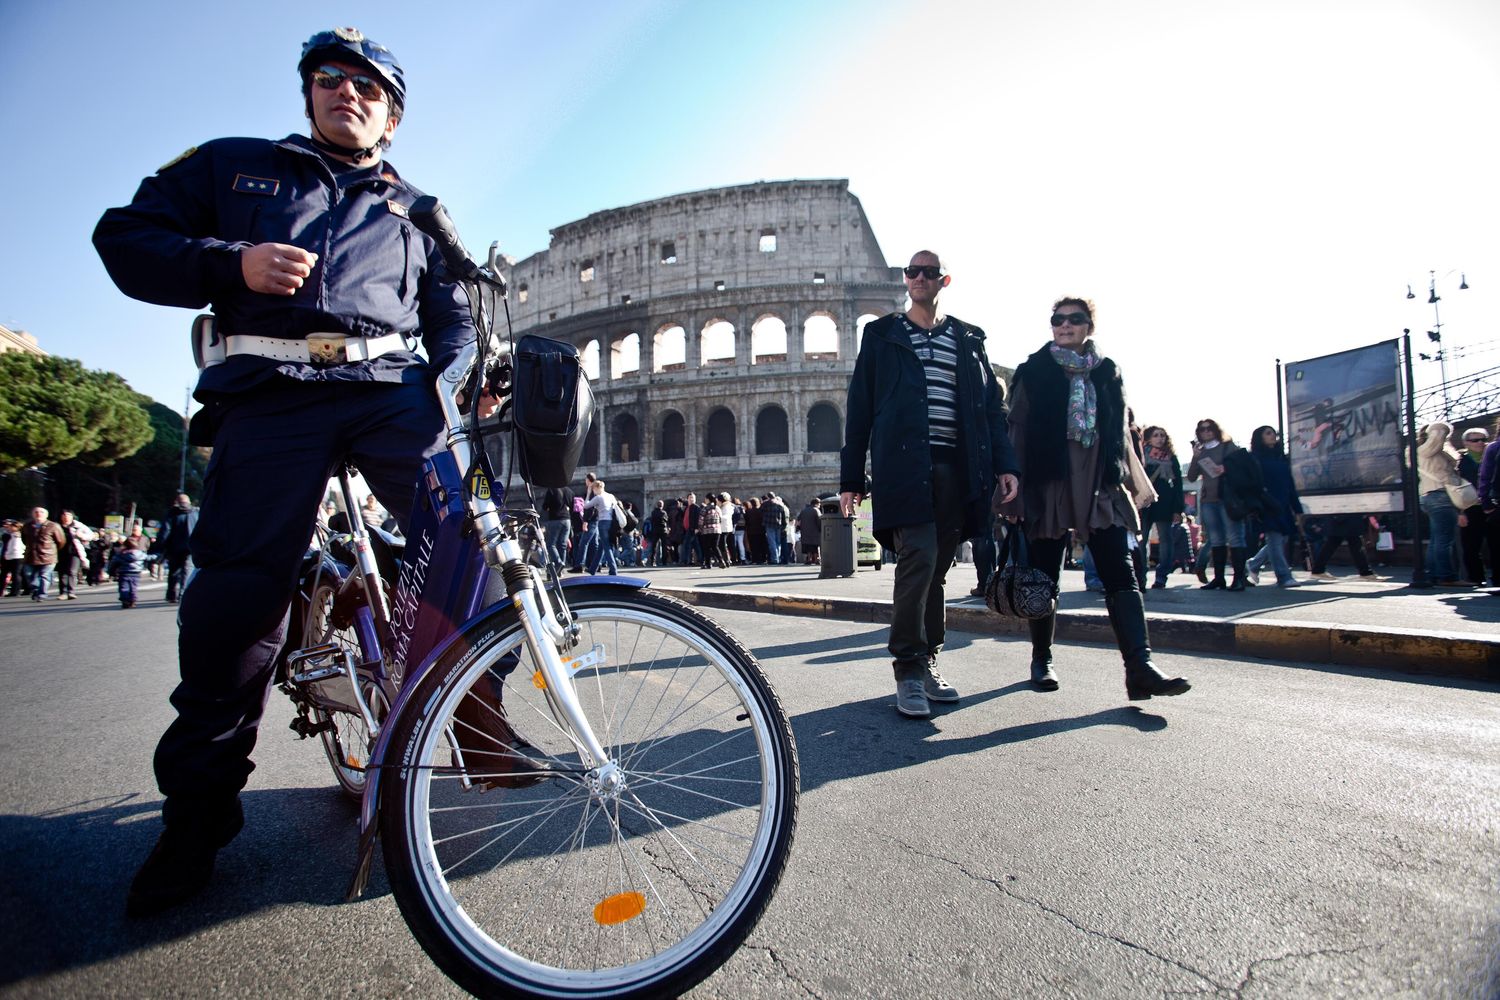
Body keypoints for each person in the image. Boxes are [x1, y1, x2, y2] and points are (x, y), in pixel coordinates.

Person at [93, 27, 491, 917]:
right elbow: (125, 237)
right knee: (238, 602)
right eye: (330, 78)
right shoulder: (236, 168)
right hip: (272, 390)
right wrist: (229, 264)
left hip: (389, 389)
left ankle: (473, 711)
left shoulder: (418, 210)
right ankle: (196, 820)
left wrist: (455, 380)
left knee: (471, 535)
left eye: (369, 85)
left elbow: (453, 312)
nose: (346, 91)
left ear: (391, 116)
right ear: (308, 92)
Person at [840, 250, 1020, 718]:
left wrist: (1006, 465)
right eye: (911, 271)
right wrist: (851, 478)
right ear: (905, 280)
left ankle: (927, 660)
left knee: (937, 571)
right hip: (903, 467)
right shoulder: (880, 335)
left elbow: (990, 411)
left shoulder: (968, 339)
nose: (918, 278)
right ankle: (907, 668)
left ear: (944, 280)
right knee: (917, 557)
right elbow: (860, 408)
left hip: (956, 468)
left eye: (927, 272)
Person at [995, 297, 1189, 701]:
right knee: (1044, 575)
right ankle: (1042, 658)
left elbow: (1120, 431)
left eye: (1074, 319)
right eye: (1058, 319)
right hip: (1050, 482)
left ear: (1089, 326)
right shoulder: (1034, 369)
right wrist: (1012, 495)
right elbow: (1017, 431)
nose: (1064, 325)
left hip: (1099, 481)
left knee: (1121, 572)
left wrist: (1130, 480)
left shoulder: (1107, 372)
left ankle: (1140, 667)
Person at [1186, 418, 1254, 590]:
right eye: (1202, 429)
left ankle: (1239, 578)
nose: (1206, 432)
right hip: (1209, 500)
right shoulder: (1200, 451)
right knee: (1216, 539)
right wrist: (1195, 457)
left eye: (1209, 428)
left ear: (1216, 430)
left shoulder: (1228, 447)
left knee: (1235, 536)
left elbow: (1243, 466)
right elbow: (1192, 476)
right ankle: (1219, 578)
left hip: (1228, 498)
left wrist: (1226, 468)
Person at [1244, 426, 1303, 588]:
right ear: (1259, 437)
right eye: (1268, 433)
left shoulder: (1280, 457)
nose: (1273, 436)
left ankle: (1254, 564)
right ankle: (1284, 576)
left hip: (1283, 503)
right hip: (1266, 504)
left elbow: (1290, 483)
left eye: (1274, 433)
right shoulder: (1254, 458)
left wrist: (1297, 508)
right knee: (1275, 538)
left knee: (1281, 537)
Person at [1416, 420, 1471, 586]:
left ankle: (1434, 574)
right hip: (1439, 495)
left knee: (1437, 539)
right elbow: (1440, 432)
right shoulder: (1426, 450)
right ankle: (1447, 576)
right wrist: (1439, 428)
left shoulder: (1425, 451)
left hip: (1432, 496)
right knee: (1444, 539)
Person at [1139, 426, 1184, 589]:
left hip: (1165, 501)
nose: (1160, 438)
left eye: (1162, 435)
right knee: (1141, 539)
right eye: (1156, 435)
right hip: (1145, 501)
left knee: (1166, 539)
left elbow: (1178, 483)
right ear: (1149, 438)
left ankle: (1161, 576)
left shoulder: (1171, 458)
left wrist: (1178, 509)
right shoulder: (1142, 454)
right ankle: (1140, 575)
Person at [1457, 427, 1491, 586]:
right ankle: (1476, 577)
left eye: (1483, 439)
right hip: (1471, 506)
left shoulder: (1492, 455)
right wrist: (1460, 511)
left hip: (1492, 505)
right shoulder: (1459, 461)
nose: (1480, 443)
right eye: (1475, 440)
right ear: (1466, 443)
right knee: (1471, 544)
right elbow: (1455, 487)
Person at [156, 494, 198, 603]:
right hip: (191, 547)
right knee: (187, 570)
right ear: (189, 502)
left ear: (177, 502)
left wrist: (161, 546)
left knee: (173, 571)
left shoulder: (172, 513)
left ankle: (171, 595)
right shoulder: (195, 513)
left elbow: (165, 532)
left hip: (174, 547)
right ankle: (183, 594)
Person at [21, 507, 67, 602]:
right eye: (36, 512)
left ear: (46, 515)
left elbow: (61, 541)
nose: (38, 514)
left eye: (41, 512)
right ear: (33, 514)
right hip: (31, 556)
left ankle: (42, 594)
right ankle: (36, 589)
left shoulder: (53, 526)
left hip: (48, 556)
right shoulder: (27, 526)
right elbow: (24, 539)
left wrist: (51, 550)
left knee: (44, 575)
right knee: (29, 575)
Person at [583, 479, 620, 575]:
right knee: (601, 547)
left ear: (596, 488)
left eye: (593, 489)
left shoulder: (598, 497)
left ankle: (613, 569)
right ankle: (592, 569)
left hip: (603, 523)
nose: (593, 491)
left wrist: (588, 494)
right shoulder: (611, 496)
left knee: (606, 546)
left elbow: (585, 506)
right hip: (611, 523)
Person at [56, 510, 95, 601]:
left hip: (75, 552)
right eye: (64, 515)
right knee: (62, 572)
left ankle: (71, 592)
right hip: (60, 551)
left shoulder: (78, 525)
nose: (66, 517)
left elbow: (91, 535)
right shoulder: (57, 526)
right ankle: (63, 592)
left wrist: (81, 536)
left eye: (68, 515)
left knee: (72, 571)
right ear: (61, 516)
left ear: (72, 517)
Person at [539, 485, 574, 568]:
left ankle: (558, 562)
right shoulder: (569, 490)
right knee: (562, 544)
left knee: (550, 545)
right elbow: (572, 505)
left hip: (555, 519)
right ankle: (561, 566)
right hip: (567, 519)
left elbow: (545, 506)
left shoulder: (552, 489)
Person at [110, 536, 149, 608]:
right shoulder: (139, 553)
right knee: (133, 587)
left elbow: (114, 562)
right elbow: (148, 557)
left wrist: (111, 571)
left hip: (124, 573)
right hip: (136, 573)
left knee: (124, 587)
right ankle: (132, 600)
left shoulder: (121, 554)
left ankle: (125, 600)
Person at [1, 520, 24, 596]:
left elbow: (14, 548)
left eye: (11, 526)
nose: (8, 527)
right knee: (15, 574)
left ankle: (15, 591)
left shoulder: (16, 535)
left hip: (16, 556)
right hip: (13, 556)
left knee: (16, 574)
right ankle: (15, 590)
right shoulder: (12, 534)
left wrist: (7, 555)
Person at [797, 498, 822, 565]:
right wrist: (821, 529)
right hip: (815, 532)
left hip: (805, 532)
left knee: (808, 547)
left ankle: (809, 559)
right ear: (816, 504)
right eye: (819, 504)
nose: (820, 505)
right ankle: (817, 559)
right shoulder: (816, 510)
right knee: (816, 547)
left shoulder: (804, 510)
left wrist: (800, 528)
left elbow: (798, 520)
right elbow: (819, 521)